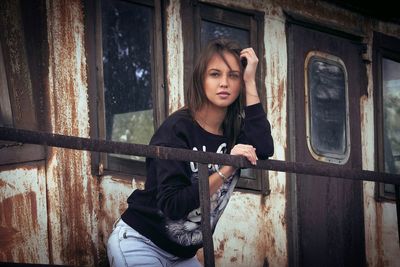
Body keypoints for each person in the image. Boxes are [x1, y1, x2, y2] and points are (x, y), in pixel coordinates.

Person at [107, 38, 274, 266]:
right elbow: (173, 205)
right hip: (142, 241)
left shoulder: (234, 130)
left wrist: (250, 81)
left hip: (183, 255)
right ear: (200, 80)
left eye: (233, 75)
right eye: (215, 74)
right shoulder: (177, 129)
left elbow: (264, 148)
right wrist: (228, 166)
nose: (224, 83)